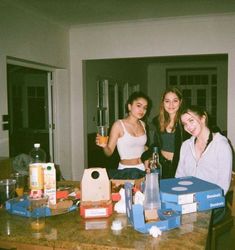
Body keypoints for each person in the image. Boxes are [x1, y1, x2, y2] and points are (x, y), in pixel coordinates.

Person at [175, 105, 232, 225]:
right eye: (185, 124)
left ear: (203, 118)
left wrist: (199, 201)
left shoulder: (221, 145)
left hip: (213, 203)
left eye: (191, 120)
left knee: (191, 224)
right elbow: (179, 178)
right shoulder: (186, 145)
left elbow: (222, 187)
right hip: (188, 201)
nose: (188, 127)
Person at [96, 91, 151, 177]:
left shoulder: (143, 124)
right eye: (138, 106)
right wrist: (104, 146)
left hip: (143, 169)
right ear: (129, 106)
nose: (142, 110)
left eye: (145, 107)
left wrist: (148, 163)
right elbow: (109, 152)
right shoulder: (118, 125)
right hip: (125, 171)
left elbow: (144, 147)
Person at [141, 86, 188, 178]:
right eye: (167, 101)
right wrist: (147, 156)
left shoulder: (186, 122)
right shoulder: (158, 121)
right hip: (163, 165)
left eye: (175, 101)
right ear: (163, 102)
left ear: (180, 102)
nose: (171, 105)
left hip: (181, 166)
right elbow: (156, 144)